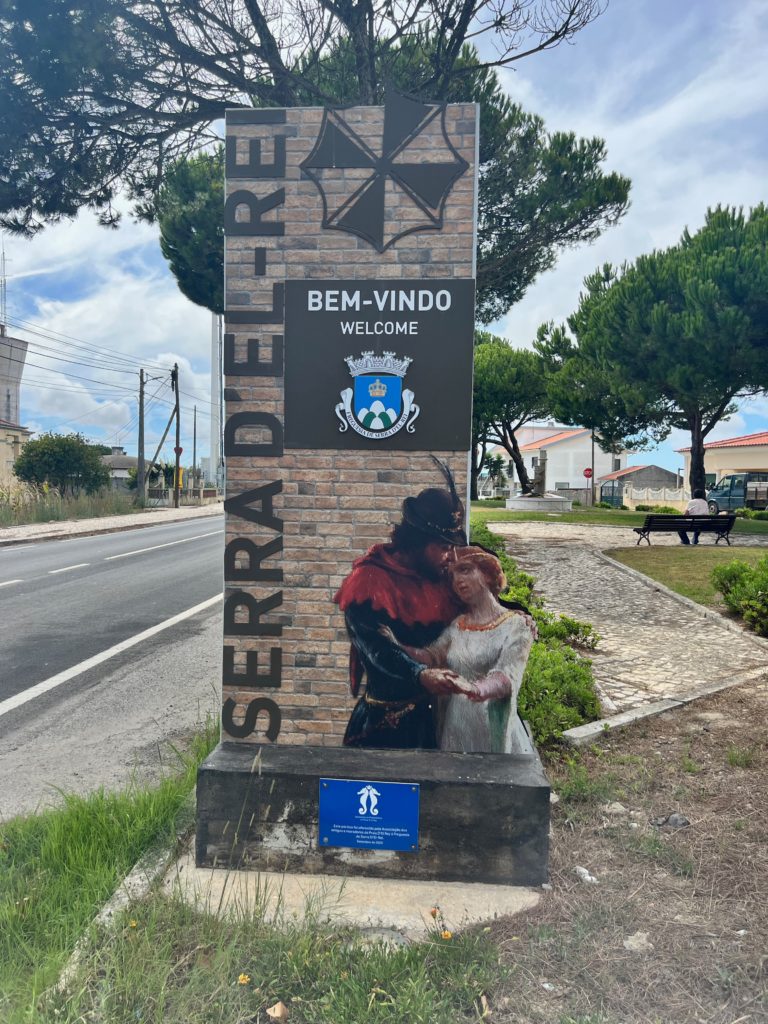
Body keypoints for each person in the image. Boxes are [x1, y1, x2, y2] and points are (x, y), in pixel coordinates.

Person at [335, 473, 468, 749]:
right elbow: (376, 649)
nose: (452, 557)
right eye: (444, 547)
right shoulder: (369, 582)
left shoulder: (440, 577)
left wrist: (514, 614)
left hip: (438, 723)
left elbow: (476, 607)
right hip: (385, 726)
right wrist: (420, 674)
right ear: (418, 542)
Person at [383, 546, 536, 754]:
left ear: (488, 574)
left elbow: (507, 677)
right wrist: (394, 644)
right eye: (452, 575)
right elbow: (431, 656)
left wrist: (473, 689)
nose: (457, 581)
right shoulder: (458, 625)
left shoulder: (517, 625)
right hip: (456, 725)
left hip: (490, 726)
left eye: (465, 570)